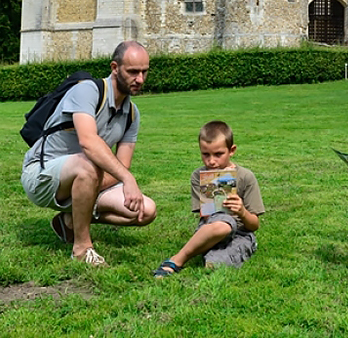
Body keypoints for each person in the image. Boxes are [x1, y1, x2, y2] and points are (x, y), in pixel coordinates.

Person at [20, 41, 157, 266]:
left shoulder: (132, 113)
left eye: (144, 72)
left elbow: (123, 164)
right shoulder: (87, 90)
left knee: (145, 211)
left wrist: (115, 178)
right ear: (115, 68)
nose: (140, 79)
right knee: (89, 163)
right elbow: (88, 142)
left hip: (86, 178)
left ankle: (68, 222)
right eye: (133, 72)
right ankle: (82, 248)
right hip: (41, 176)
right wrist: (127, 179)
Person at [153, 120, 265, 277]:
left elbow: (254, 225)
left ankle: (213, 254)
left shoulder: (246, 177)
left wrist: (242, 212)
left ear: (231, 150)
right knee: (224, 225)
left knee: (216, 262)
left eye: (218, 154)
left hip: (241, 233)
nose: (211, 161)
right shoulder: (198, 176)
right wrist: (218, 183)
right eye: (205, 154)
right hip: (211, 226)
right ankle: (178, 259)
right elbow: (206, 216)